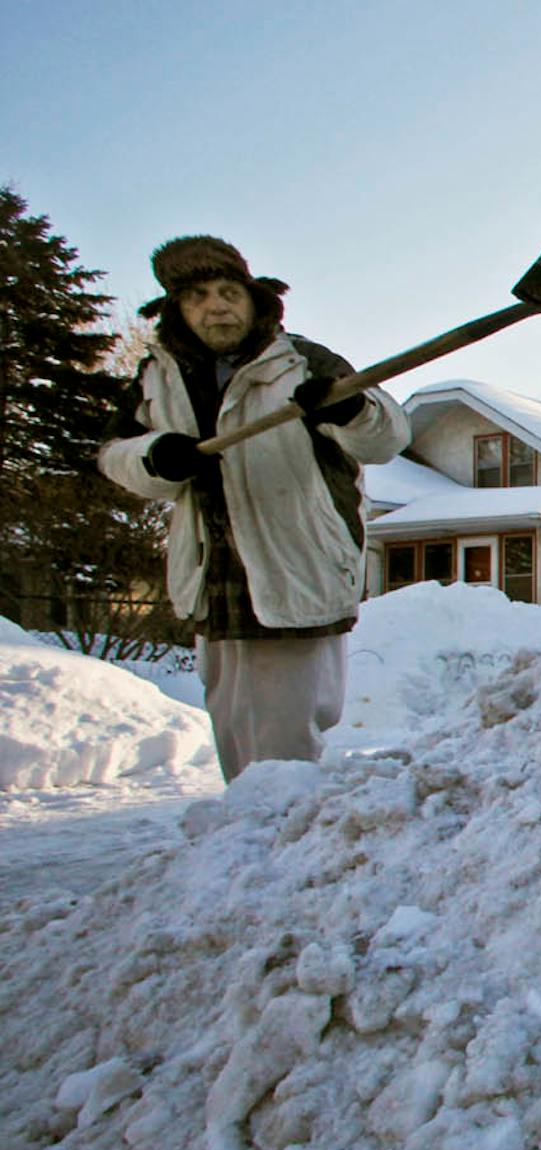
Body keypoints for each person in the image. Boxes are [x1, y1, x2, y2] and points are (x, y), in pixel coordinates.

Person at [99, 236, 409, 782]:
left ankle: (287, 834)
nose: (216, 306)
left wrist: (351, 407)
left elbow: (387, 436)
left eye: (227, 292)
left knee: (289, 730)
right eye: (197, 295)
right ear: (176, 308)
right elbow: (113, 455)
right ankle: (246, 832)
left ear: (253, 297)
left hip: (297, 557)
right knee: (232, 719)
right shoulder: (158, 375)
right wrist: (153, 457)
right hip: (214, 565)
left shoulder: (300, 361)